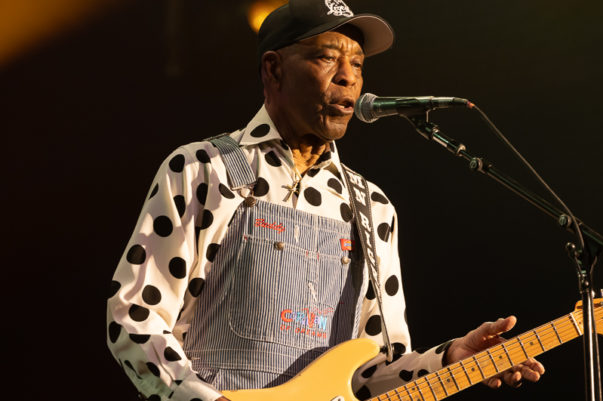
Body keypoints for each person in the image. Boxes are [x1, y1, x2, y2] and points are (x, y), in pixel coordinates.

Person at [106, 1, 545, 400]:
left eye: (357, 63)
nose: (348, 76)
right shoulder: (204, 169)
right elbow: (134, 316)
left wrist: (449, 360)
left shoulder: (372, 208)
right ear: (274, 69)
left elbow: (373, 372)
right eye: (327, 57)